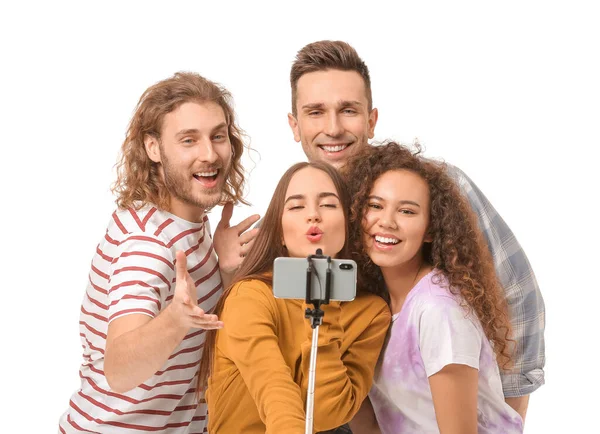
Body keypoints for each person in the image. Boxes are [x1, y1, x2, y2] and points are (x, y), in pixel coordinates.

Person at [286, 40, 544, 422]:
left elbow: (517, 291)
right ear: (295, 125)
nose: (333, 128)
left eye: (349, 111)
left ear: (371, 120)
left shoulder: (433, 187)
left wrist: (505, 412)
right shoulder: (301, 210)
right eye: (315, 112)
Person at [58, 72, 259, 433]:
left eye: (218, 136)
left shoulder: (182, 222)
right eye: (188, 140)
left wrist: (225, 270)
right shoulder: (149, 245)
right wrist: (175, 320)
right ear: (153, 148)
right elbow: (119, 370)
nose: (209, 154)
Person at [199, 161, 391, 433]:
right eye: (296, 206)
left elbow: (326, 413)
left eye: (328, 204)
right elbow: (274, 391)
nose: (313, 215)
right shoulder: (250, 295)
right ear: (279, 231)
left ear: (348, 223)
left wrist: (326, 312)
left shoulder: (371, 313)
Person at [346, 142, 524, 433]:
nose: (386, 222)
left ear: (430, 230)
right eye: (375, 206)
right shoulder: (378, 302)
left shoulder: (438, 310)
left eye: (406, 211)